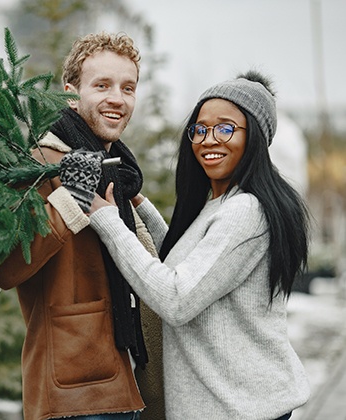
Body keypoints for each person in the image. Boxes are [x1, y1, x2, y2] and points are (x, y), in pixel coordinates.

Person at [88, 70, 311, 419]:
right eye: (200, 129)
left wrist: (108, 223)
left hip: (238, 408)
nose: (208, 140)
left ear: (255, 137)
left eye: (225, 128)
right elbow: (193, 264)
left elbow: (176, 298)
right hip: (233, 405)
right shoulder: (222, 203)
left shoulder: (244, 211)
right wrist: (139, 205)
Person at [0, 31, 164, 420]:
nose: (117, 98)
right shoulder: (41, 164)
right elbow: (5, 266)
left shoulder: (119, 171)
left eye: (128, 87)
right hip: (72, 396)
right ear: (71, 93)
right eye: (101, 85)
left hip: (124, 384)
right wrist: (73, 197)